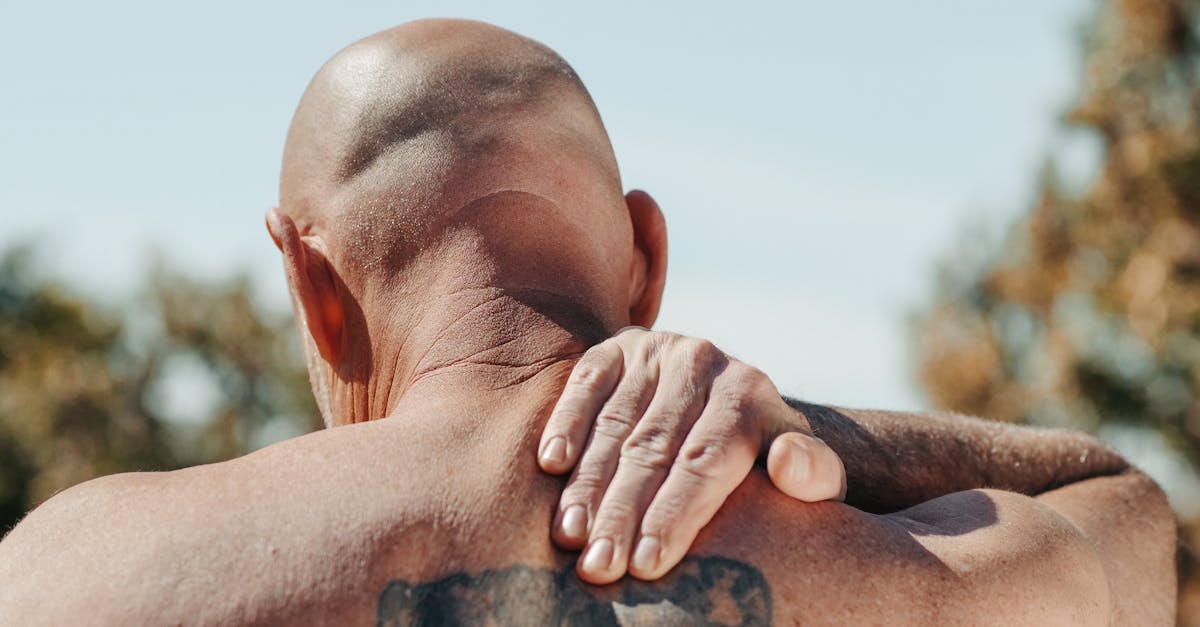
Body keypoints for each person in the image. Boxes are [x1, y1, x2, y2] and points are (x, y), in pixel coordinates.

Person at [0, 18, 1176, 625]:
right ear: (647, 256)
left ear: (313, 283)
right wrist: (818, 436)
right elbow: (1125, 503)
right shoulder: (957, 581)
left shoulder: (77, 571)